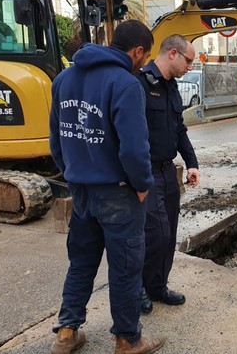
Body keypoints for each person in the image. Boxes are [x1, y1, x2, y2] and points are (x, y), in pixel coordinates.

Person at [49, 20, 165, 354]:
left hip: (81, 190)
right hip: (118, 194)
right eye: (144, 57)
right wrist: (142, 184)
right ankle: (128, 340)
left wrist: (72, 173)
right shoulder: (126, 84)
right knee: (126, 268)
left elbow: (56, 139)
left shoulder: (63, 79)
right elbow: (133, 148)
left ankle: (67, 334)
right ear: (138, 51)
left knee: (82, 263)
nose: (143, 64)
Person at [136, 34, 200, 314]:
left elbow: (179, 130)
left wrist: (192, 162)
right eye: (188, 60)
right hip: (145, 172)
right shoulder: (139, 83)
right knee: (151, 234)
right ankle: (137, 289)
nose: (190, 66)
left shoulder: (172, 88)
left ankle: (157, 286)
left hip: (167, 172)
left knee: (169, 232)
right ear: (172, 54)